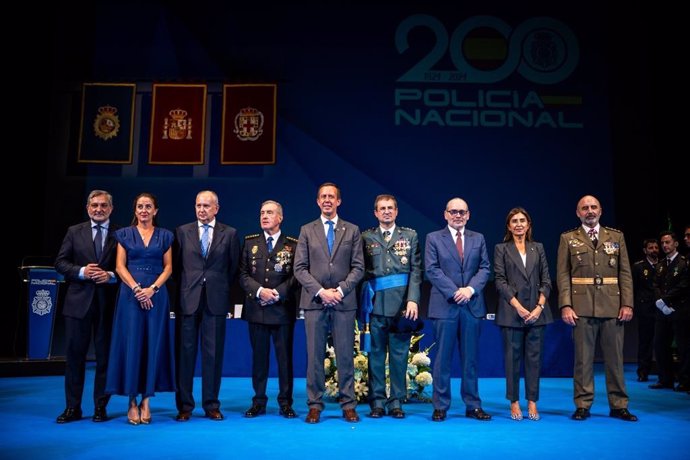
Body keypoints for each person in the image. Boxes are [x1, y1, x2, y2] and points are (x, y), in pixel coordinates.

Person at [557, 194, 637, 422]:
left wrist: (627, 303)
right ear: (578, 212)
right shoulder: (568, 238)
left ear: (600, 211)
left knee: (615, 360)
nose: (589, 211)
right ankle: (583, 404)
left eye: (593, 207)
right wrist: (565, 305)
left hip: (612, 306)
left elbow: (625, 273)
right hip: (580, 307)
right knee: (582, 360)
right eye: (585, 208)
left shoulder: (616, 236)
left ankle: (619, 405)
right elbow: (563, 275)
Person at [293, 182, 365, 424]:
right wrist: (321, 292)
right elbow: (300, 268)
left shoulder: (352, 230)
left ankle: (348, 405)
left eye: (331, 196)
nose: (327, 200)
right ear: (317, 201)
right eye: (323, 196)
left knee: (345, 355)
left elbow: (358, 267)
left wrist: (341, 290)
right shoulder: (306, 230)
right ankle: (314, 405)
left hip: (344, 303)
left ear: (338, 201)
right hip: (315, 303)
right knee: (314, 357)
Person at [105, 193, 175, 425]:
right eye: (139, 207)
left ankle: (147, 399)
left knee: (152, 344)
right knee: (132, 344)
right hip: (130, 296)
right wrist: (137, 289)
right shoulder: (124, 234)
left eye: (148, 206)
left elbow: (168, 268)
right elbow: (119, 266)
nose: (144, 210)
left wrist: (152, 289)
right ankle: (132, 401)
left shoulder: (165, 235)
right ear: (135, 210)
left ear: (156, 210)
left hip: (156, 296)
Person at [174, 190, 240, 421]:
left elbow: (233, 269)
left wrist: (220, 291)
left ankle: (211, 404)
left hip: (216, 302)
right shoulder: (182, 232)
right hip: (187, 302)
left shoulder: (230, 234)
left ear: (216, 208)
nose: (201, 210)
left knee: (213, 356)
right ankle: (184, 406)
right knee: (185, 355)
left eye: (206, 206)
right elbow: (176, 268)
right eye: (198, 205)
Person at [425, 197, 491, 422]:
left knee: (470, 360)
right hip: (445, 306)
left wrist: (470, 290)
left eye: (462, 212)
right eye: (453, 212)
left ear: (468, 215)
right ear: (445, 214)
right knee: (442, 360)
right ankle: (440, 406)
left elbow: (484, 268)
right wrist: (455, 292)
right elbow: (432, 270)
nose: (457, 215)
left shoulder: (478, 238)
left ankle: (473, 405)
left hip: (471, 307)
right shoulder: (433, 238)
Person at [55, 190, 119, 423]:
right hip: (77, 304)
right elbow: (60, 262)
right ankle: (73, 408)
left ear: (111, 208)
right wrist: (81, 272)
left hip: (107, 305)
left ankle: (100, 407)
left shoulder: (120, 234)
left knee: (104, 358)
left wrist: (111, 276)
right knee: (74, 358)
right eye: (94, 205)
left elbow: (128, 268)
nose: (98, 209)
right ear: (87, 208)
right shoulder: (74, 231)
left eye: (103, 205)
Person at [361, 194, 422, 419]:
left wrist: (413, 299)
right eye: (382, 209)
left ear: (396, 212)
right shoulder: (365, 237)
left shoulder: (410, 236)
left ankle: (396, 401)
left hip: (402, 307)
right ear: (375, 213)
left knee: (399, 356)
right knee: (375, 356)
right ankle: (377, 401)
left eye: (390, 208)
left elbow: (416, 270)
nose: (386, 212)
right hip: (375, 306)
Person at [239, 200, 299, 418]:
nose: (264, 216)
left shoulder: (293, 244)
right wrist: (259, 291)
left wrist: (277, 293)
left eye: (270, 212)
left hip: (282, 309)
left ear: (280, 217)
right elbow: (243, 274)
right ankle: (259, 401)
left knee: (284, 360)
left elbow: (296, 275)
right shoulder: (249, 243)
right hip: (257, 308)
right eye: (262, 212)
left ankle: (285, 402)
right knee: (259, 359)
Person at [494, 207, 552, 421]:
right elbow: (500, 280)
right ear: (509, 226)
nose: (519, 224)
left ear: (529, 225)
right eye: (514, 221)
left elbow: (546, 280)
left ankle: (532, 401)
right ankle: (514, 402)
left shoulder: (538, 248)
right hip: (512, 312)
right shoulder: (501, 249)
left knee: (534, 360)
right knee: (512, 360)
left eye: (522, 221)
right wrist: (518, 306)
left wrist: (539, 307)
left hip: (537, 313)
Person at [650, 231, 689, 392]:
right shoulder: (660, 265)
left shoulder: (684, 263)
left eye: (668, 242)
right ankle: (665, 379)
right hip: (662, 311)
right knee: (660, 344)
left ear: (675, 244)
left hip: (680, 309)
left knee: (683, 347)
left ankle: (685, 380)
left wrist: (666, 300)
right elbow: (655, 285)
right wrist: (662, 304)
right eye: (663, 243)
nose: (665, 246)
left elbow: (684, 285)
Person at [631, 238, 659, 382]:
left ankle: (664, 372)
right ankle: (643, 371)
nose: (654, 250)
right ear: (645, 250)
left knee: (661, 342)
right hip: (645, 309)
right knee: (645, 341)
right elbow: (633, 288)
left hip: (663, 309)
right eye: (650, 248)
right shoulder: (638, 267)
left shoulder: (664, 265)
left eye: (655, 247)